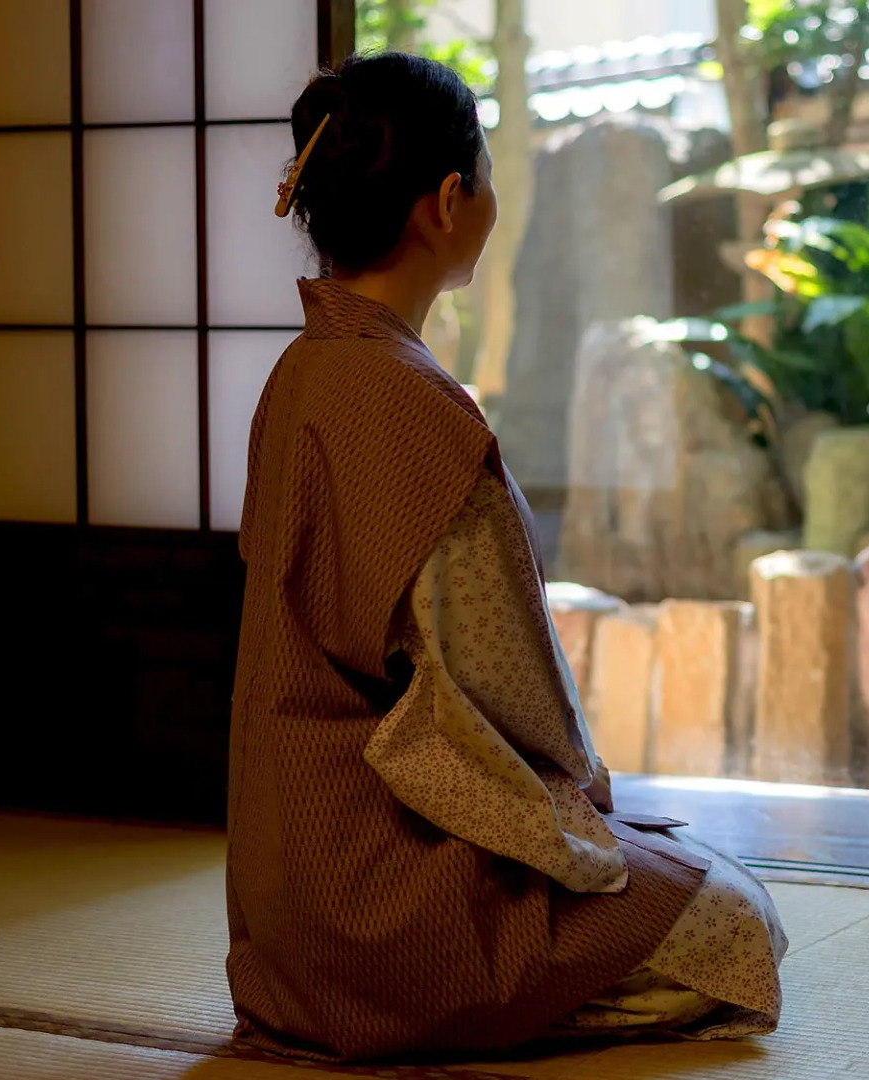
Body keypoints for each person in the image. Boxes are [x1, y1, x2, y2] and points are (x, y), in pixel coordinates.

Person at [226, 52, 784, 1063]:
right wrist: (578, 794)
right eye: (485, 167)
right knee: (735, 919)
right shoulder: (410, 405)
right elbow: (500, 691)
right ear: (448, 202)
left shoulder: (300, 376)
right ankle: (437, 1009)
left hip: (284, 910)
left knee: (666, 860)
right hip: (385, 899)